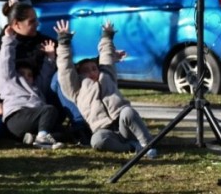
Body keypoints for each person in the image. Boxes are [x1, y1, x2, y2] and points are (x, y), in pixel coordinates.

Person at [54, 20, 157, 157]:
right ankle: (132, 147)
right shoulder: (76, 89)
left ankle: (147, 145)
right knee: (97, 141)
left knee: (128, 112)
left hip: (123, 124)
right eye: (86, 71)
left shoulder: (107, 75)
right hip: (104, 130)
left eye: (94, 68)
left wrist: (107, 35)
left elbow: (106, 55)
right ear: (79, 75)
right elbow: (65, 69)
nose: (92, 72)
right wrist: (64, 42)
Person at [0, 24, 63, 149]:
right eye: (22, 74)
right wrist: (8, 40)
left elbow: (45, 75)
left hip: (33, 120)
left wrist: (50, 57)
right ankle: (42, 138)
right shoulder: (10, 80)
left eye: (29, 75)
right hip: (16, 117)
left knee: (61, 131)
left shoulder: (36, 87)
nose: (26, 77)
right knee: (49, 110)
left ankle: (31, 138)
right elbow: (5, 62)